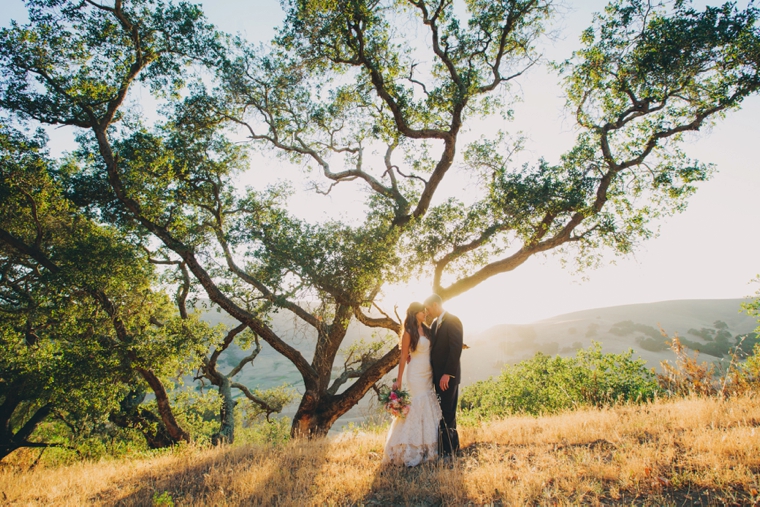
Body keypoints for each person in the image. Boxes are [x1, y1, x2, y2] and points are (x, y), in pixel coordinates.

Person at [382, 302, 442, 466]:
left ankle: (428, 445)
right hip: (415, 373)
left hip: (428, 372)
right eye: (422, 312)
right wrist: (399, 379)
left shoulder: (428, 329)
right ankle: (408, 448)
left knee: (428, 404)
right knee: (416, 404)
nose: (425, 313)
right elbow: (403, 357)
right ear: (415, 313)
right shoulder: (409, 332)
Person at [424, 293, 463, 457]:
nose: (427, 312)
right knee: (441, 412)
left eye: (428, 308)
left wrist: (447, 374)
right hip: (437, 377)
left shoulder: (453, 320)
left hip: (448, 378)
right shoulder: (434, 324)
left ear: (435, 305)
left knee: (448, 412)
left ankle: (450, 451)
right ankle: (447, 448)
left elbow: (455, 349)